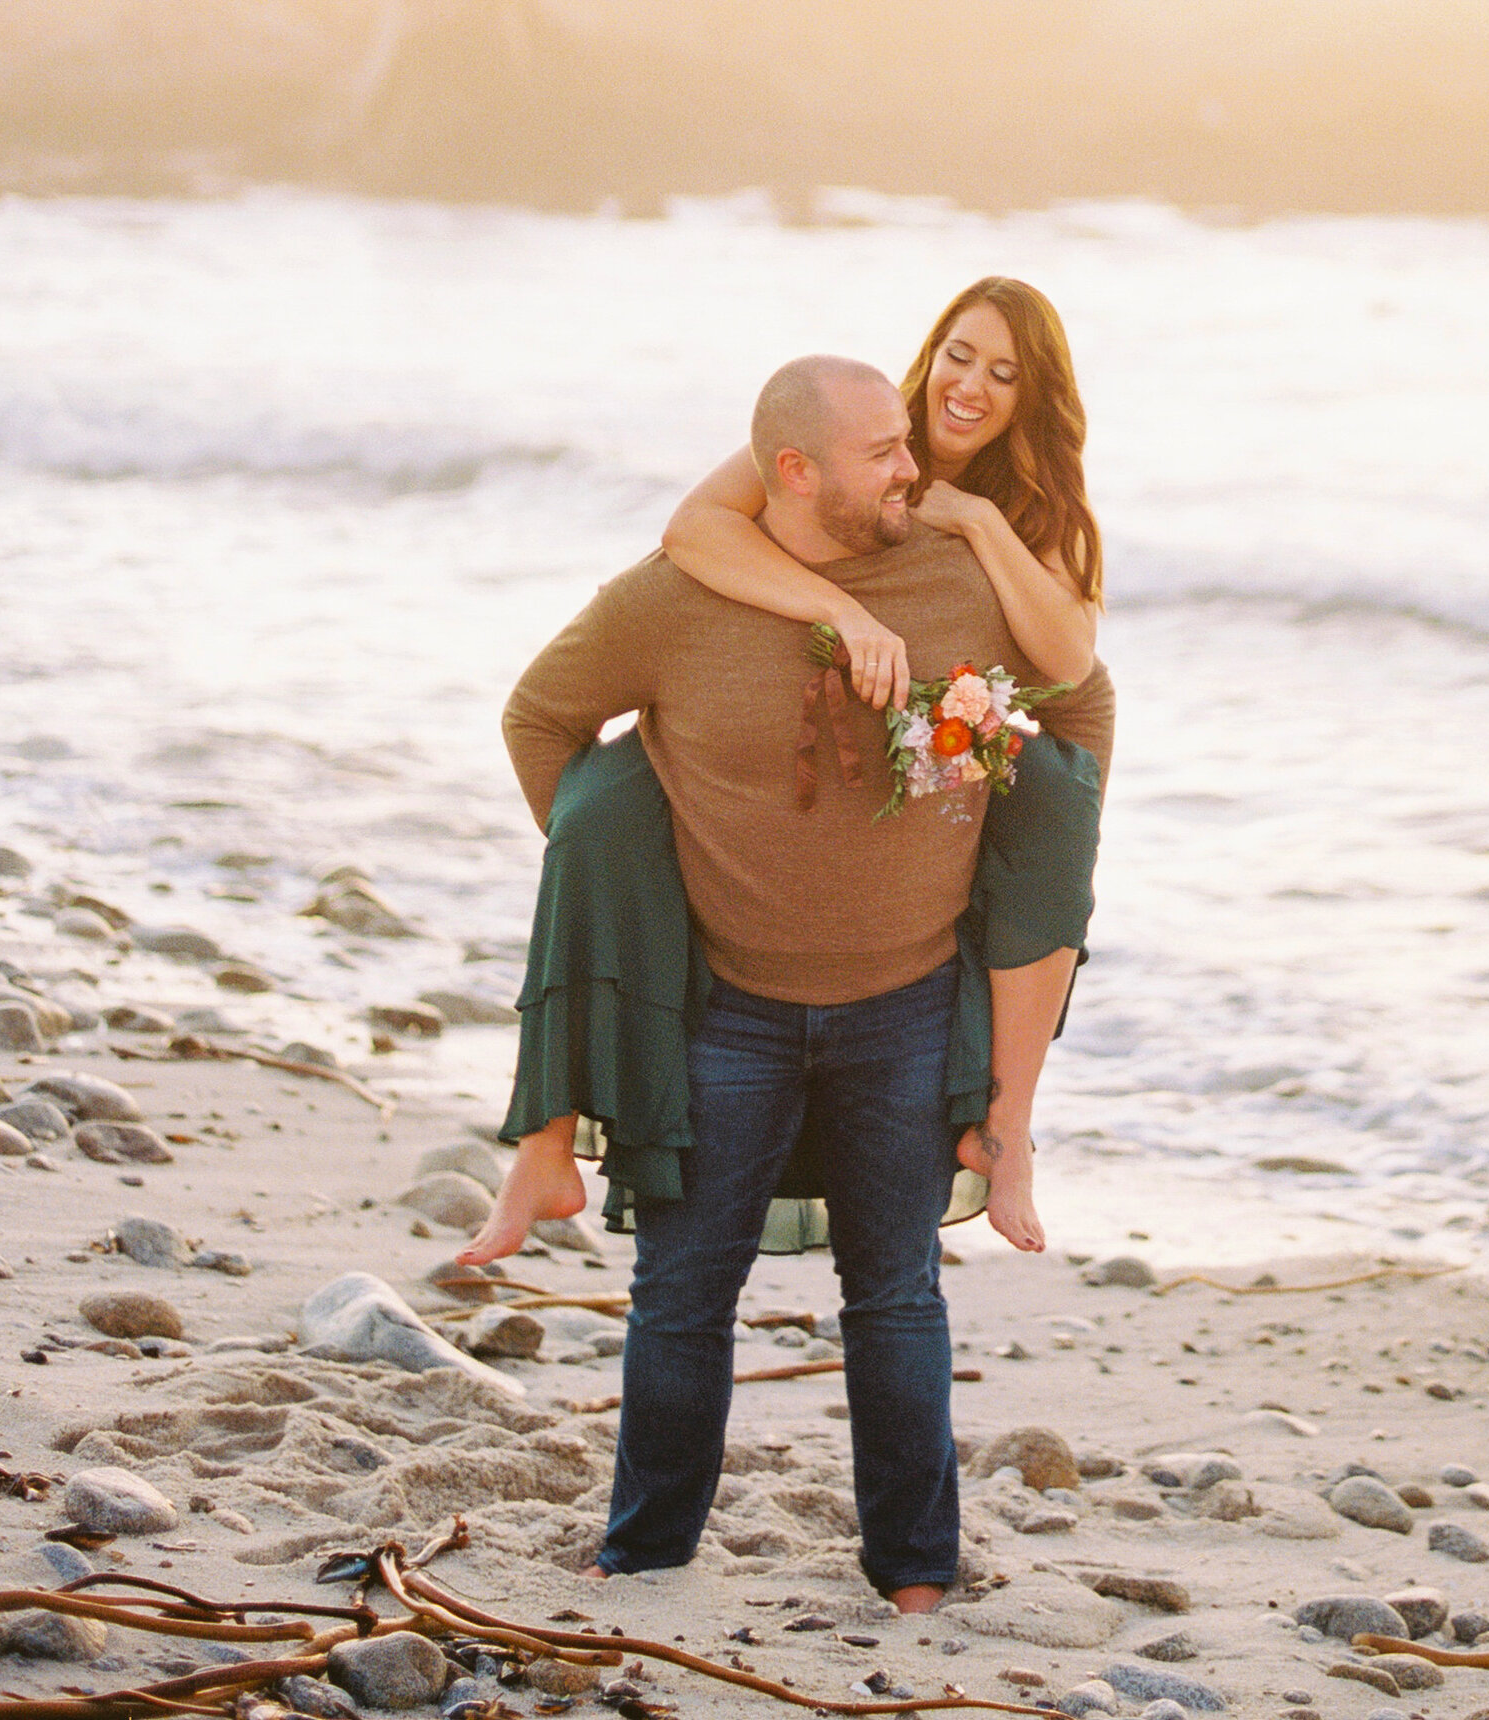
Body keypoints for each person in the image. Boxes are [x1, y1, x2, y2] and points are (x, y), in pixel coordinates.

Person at [498, 350, 1117, 1600]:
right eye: (885, 451)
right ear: (793, 472)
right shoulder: (669, 601)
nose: (916, 466)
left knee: (895, 1300)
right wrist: (625, 876)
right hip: (725, 1011)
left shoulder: (954, 577)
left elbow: (1084, 704)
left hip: (903, 1008)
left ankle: (915, 1571)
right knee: (681, 1295)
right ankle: (647, 1552)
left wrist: (1024, 832)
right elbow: (538, 718)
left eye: (908, 441)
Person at [464, 278, 1105, 1265]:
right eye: (958, 354)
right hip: (744, 711)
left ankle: (1009, 1132)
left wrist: (978, 523)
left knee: (1060, 805)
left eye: (1004, 373)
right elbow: (695, 530)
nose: (968, 386)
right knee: (598, 816)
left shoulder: (1035, 510)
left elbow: (1067, 662)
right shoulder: (853, 425)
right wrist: (837, 612)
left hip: (931, 766)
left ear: (1036, 397)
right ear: (928, 353)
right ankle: (545, 1139)